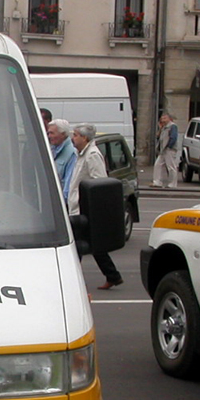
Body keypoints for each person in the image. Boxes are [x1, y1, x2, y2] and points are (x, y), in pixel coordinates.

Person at [69, 122, 124, 290]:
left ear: (85, 138)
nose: (73, 138)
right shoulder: (82, 154)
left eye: (76, 135)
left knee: (76, 245)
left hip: (84, 208)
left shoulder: (92, 155)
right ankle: (112, 275)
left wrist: (91, 206)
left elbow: (99, 181)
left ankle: (71, 278)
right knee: (94, 245)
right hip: (78, 206)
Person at [47, 118, 77, 203]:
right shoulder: (51, 149)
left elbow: (68, 186)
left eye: (52, 133)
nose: (49, 136)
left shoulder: (72, 154)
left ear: (63, 134)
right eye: (48, 133)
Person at [152, 111, 179, 188]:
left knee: (171, 167)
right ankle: (157, 182)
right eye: (162, 118)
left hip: (169, 149)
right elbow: (158, 137)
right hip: (163, 149)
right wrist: (160, 128)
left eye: (165, 118)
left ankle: (172, 184)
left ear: (169, 118)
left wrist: (169, 146)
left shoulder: (173, 126)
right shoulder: (164, 127)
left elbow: (173, 137)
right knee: (158, 165)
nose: (163, 119)